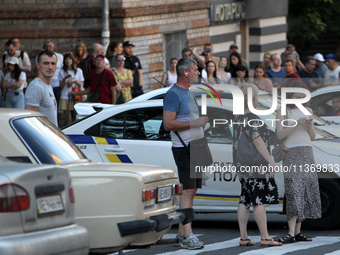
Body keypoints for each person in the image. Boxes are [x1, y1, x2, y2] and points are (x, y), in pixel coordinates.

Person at [163, 57, 207, 250]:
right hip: (184, 149)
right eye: (196, 70)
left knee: (192, 190)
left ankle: (182, 234)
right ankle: (188, 236)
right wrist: (195, 124)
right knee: (188, 190)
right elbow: (168, 124)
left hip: (196, 148)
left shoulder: (188, 92)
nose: (199, 73)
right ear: (186, 73)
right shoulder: (173, 94)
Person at [233, 83, 281, 247]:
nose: (257, 100)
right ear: (251, 99)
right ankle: (266, 237)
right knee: (258, 200)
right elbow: (258, 141)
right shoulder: (251, 117)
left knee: (245, 198)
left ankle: (244, 237)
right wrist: (270, 161)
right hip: (256, 164)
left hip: (242, 164)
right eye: (256, 97)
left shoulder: (238, 116)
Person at [276, 81, 321, 243]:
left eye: (303, 97)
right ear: (290, 97)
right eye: (297, 97)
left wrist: (309, 126)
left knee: (304, 191)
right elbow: (279, 134)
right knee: (293, 191)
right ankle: (290, 231)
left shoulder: (308, 110)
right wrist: (296, 124)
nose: (301, 100)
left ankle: (298, 231)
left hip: (306, 152)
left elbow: (313, 136)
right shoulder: (283, 111)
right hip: (292, 153)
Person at [25, 50, 58, 126]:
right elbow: (30, 120)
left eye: (53, 63)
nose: (50, 67)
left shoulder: (47, 85)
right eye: (46, 63)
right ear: (38, 65)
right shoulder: (37, 87)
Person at [58, 52, 84, 125]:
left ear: (72, 60)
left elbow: (82, 84)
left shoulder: (78, 71)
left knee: (77, 117)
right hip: (65, 95)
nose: (68, 61)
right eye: (66, 59)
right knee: (68, 119)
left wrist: (75, 81)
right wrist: (65, 79)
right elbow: (61, 86)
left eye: (69, 59)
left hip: (76, 95)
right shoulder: (62, 71)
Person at [41, 39, 64, 108]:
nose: (48, 48)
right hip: (44, 85)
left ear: (53, 48)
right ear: (43, 48)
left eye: (50, 46)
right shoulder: (40, 57)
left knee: (56, 106)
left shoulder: (59, 57)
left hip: (56, 85)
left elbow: (62, 70)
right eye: (46, 46)